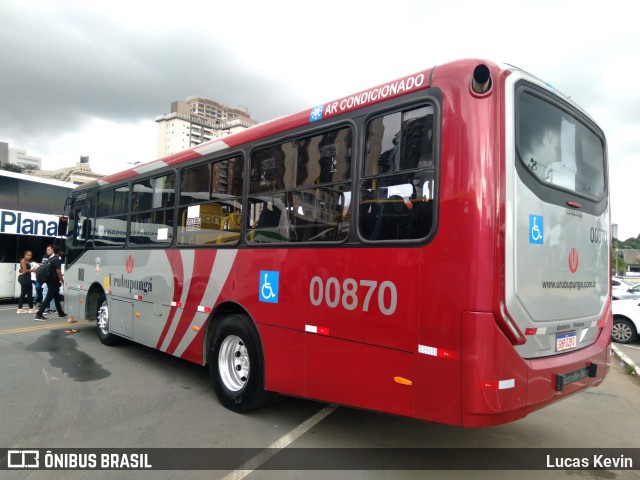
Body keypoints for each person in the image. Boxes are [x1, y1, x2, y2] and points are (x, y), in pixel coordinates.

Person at [35, 245, 71, 322]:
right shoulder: (57, 260)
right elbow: (58, 272)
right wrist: (63, 281)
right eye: (61, 251)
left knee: (56, 297)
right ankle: (39, 314)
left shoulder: (51, 259)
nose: (62, 252)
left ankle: (60, 313)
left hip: (49, 280)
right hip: (53, 281)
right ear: (59, 252)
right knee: (48, 298)